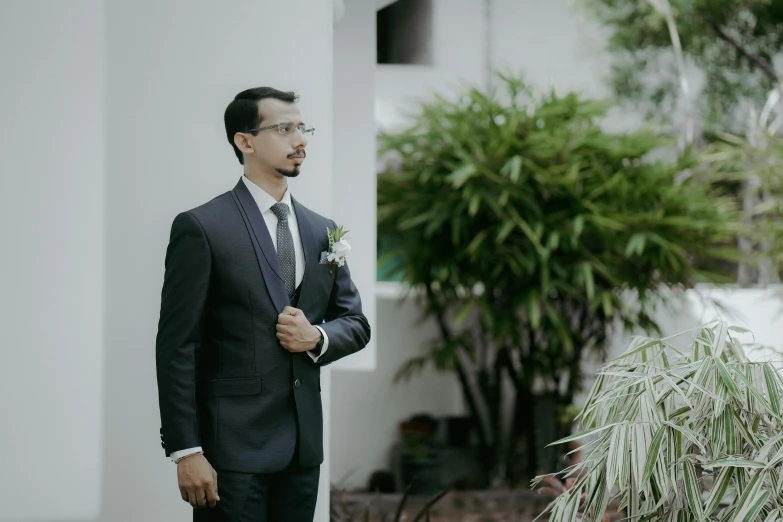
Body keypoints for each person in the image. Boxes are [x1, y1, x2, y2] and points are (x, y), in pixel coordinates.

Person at [155, 86, 371, 522]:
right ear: (245, 140)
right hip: (230, 453)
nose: (301, 140)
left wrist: (318, 336)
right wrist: (186, 450)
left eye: (302, 128)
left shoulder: (321, 230)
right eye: (285, 128)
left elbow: (356, 322)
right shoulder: (202, 227)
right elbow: (178, 345)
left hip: (303, 450)